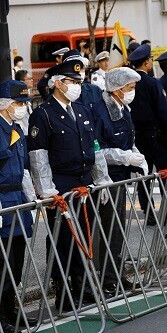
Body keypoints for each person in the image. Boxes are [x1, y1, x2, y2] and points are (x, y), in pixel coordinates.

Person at [28, 58, 114, 309]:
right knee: (63, 239)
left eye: (79, 81)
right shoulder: (43, 114)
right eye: (71, 81)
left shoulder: (82, 110)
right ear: (56, 83)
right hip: (61, 184)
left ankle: (82, 285)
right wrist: (46, 189)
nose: (76, 86)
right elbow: (38, 156)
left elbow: (94, 147)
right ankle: (63, 289)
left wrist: (101, 177)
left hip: (84, 181)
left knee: (85, 236)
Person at [90, 67, 148, 295]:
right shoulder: (100, 112)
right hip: (106, 178)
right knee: (108, 229)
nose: (132, 92)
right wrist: (126, 157)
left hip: (120, 177)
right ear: (116, 89)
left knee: (117, 230)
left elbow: (128, 140)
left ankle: (117, 274)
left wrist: (137, 157)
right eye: (129, 88)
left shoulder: (123, 109)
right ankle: (108, 280)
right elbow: (98, 150)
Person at [0, 80, 35, 333]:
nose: (22, 107)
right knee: (3, 263)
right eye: (18, 103)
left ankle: (11, 310)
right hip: (2, 200)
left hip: (18, 200)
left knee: (17, 260)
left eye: (24, 103)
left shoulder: (17, 129)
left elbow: (23, 168)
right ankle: (1, 315)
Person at [127, 44, 167, 223]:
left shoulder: (128, 84)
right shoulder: (152, 83)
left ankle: (148, 213)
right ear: (147, 62)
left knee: (143, 177)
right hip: (157, 136)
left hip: (138, 136)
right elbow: (162, 110)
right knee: (165, 175)